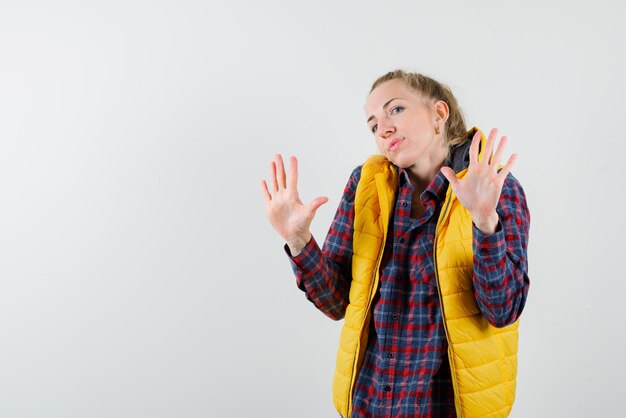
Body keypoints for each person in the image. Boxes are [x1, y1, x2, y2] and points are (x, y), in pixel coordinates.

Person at [260, 70, 530, 418]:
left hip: (447, 408)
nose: (383, 128)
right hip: (369, 405)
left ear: (439, 114)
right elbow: (337, 302)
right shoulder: (365, 186)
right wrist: (298, 240)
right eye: (373, 124)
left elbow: (502, 310)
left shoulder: (494, 187)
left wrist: (484, 221)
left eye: (396, 110)